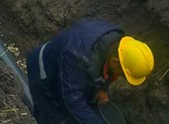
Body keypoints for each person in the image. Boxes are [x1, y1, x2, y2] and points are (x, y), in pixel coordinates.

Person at [26, 18, 154, 124]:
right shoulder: (78, 56)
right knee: (51, 116)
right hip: (44, 72)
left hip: (67, 68)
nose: (120, 77)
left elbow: (108, 71)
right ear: (116, 61)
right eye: (122, 74)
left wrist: (102, 89)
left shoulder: (116, 45)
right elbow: (73, 100)